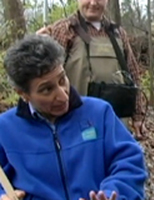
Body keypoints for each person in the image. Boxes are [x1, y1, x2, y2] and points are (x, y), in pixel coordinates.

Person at [0, 34, 148, 200]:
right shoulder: (5, 129)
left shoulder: (99, 113)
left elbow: (129, 162)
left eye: (62, 79)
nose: (63, 95)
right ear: (23, 94)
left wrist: (112, 193)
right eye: (47, 90)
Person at [36, 0, 146, 139]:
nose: (93, 3)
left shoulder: (118, 33)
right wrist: (37, 48)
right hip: (76, 122)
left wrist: (138, 116)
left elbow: (133, 73)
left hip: (115, 122)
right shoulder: (65, 29)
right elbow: (45, 77)